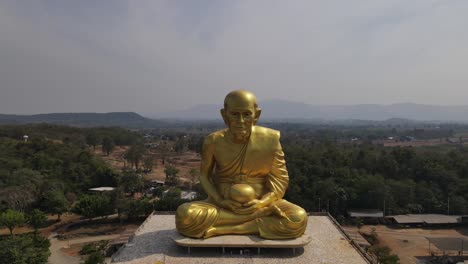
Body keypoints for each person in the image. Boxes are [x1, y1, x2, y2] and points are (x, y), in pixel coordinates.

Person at [176, 90, 307, 239]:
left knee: (298, 217)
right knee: (185, 215)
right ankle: (258, 219)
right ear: (224, 115)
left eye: (246, 114)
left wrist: (262, 203)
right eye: (234, 114)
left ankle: (226, 228)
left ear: (256, 115)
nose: (241, 121)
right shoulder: (213, 141)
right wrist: (221, 201)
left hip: (260, 201)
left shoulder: (270, 139)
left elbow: (280, 180)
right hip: (224, 203)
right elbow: (204, 176)